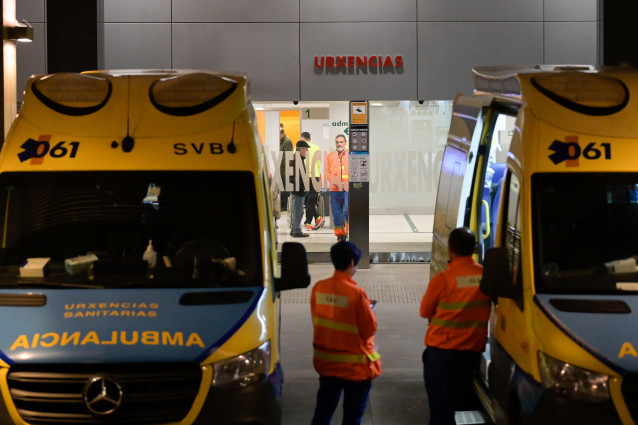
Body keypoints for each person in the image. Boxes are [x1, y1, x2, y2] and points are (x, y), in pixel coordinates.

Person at [419, 227, 491, 425]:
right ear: (475, 248)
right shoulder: (486, 277)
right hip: (470, 353)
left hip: (442, 354)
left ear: (450, 249)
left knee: (441, 411)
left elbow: (424, 312)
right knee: (456, 403)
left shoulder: (443, 280)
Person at [310, 241, 381, 425]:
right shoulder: (356, 294)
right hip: (354, 369)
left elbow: (318, 321)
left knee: (323, 413)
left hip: (327, 365)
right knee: (352, 417)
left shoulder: (319, 288)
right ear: (351, 263)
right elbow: (369, 330)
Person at [325, 134, 349, 241]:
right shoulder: (330, 156)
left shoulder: (351, 155)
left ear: (345, 143)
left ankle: (349, 230)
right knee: (337, 213)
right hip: (335, 190)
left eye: (341, 142)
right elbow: (327, 173)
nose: (339, 144)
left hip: (347, 189)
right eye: (337, 142)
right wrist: (335, 183)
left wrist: (347, 183)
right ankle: (340, 235)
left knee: (348, 210)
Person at [301, 131, 325, 231]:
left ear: (302, 139)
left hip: (304, 176)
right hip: (315, 176)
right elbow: (319, 164)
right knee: (310, 200)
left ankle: (308, 223)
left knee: (307, 200)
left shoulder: (298, 147)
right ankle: (318, 218)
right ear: (310, 139)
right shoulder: (316, 147)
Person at [289, 140, 310, 237]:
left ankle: (294, 229)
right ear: (300, 149)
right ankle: (296, 230)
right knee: (299, 211)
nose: (307, 152)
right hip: (298, 190)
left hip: (296, 189)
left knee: (297, 210)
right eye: (306, 149)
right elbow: (296, 176)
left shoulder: (296, 159)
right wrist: (303, 187)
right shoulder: (296, 160)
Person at [279, 123, 293, 216]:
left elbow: (288, 157)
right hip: (281, 170)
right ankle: (282, 205)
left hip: (285, 170)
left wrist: (278, 160)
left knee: (285, 189)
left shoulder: (287, 142)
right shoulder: (281, 141)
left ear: (282, 134)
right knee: (282, 188)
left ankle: (284, 206)